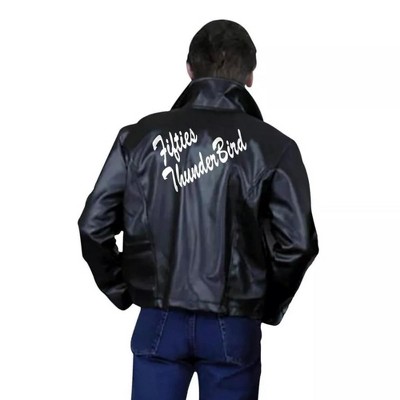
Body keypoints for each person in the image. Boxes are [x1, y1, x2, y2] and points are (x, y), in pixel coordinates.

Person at [77, 19, 319, 400]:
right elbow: (298, 243)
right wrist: (261, 304)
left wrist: (124, 289)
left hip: (159, 317)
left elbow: (94, 226)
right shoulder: (274, 147)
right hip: (233, 323)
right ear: (250, 76)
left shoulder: (138, 139)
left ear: (189, 70)